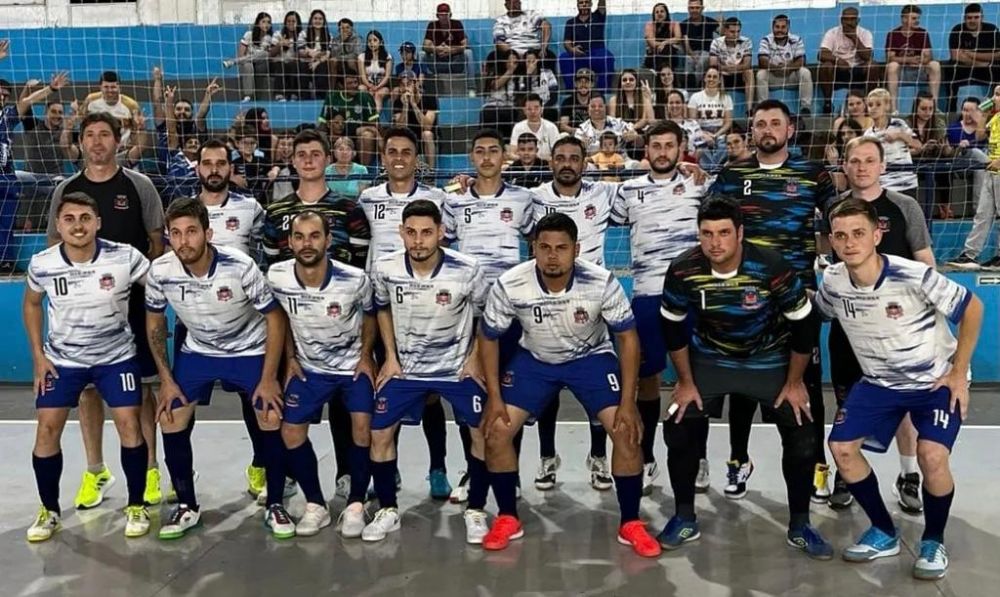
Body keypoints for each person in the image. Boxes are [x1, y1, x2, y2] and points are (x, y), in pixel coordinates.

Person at [478, 211, 660, 556]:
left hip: (590, 358)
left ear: (576, 249)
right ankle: (506, 516)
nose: (551, 255)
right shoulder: (511, 283)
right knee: (497, 430)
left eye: (561, 248)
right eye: (544, 247)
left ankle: (630, 522)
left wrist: (628, 400)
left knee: (625, 430)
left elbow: (629, 339)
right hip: (535, 360)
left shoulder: (601, 281)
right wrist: (494, 397)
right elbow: (487, 339)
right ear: (533, 248)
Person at [819, 198, 983, 580]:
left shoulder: (914, 275)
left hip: (934, 381)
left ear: (877, 235)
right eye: (840, 236)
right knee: (841, 449)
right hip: (880, 383)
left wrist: (959, 374)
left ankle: (934, 540)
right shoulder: (833, 281)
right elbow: (823, 311)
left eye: (859, 233)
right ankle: (883, 531)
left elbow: (973, 308)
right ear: (831, 241)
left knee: (931, 456)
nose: (850, 242)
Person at [659, 196, 832, 559]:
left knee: (802, 431)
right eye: (706, 234)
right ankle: (684, 517)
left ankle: (800, 525)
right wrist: (686, 382)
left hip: (767, 358)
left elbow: (804, 324)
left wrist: (794, 382)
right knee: (677, 423)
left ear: (740, 233)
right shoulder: (683, 268)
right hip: (710, 358)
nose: (715, 243)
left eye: (723, 233)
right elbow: (672, 328)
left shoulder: (770, 265)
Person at [710, 100, 836, 502]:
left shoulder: (813, 174)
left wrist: (830, 272)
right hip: (745, 296)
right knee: (742, 382)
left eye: (775, 123)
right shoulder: (733, 175)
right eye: (760, 123)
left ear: (790, 129)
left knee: (808, 384)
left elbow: (839, 219)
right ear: (752, 131)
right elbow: (711, 220)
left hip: (798, 295)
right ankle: (738, 460)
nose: (767, 129)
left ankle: (818, 466)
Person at [145, 198, 288, 539]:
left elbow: (275, 318)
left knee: (269, 414)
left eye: (191, 232)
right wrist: (165, 379)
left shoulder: (239, 265)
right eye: (175, 233)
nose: (184, 241)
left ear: (207, 233)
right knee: (171, 415)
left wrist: (269, 378)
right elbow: (153, 324)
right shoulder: (161, 271)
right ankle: (186, 506)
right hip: (199, 350)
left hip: (249, 348)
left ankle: (276, 504)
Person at [45, 112, 165, 509]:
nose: (97, 142)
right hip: (81, 313)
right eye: (90, 136)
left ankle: (149, 469)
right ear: (80, 143)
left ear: (119, 141)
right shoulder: (66, 189)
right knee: (87, 392)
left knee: (142, 392)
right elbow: (52, 250)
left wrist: (146, 295)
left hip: (131, 307)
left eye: (104, 135)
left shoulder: (139, 186)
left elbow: (155, 241)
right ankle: (96, 469)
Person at [24, 192, 152, 542]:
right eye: (69, 219)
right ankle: (49, 511)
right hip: (63, 361)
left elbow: (162, 284)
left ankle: (136, 505)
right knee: (47, 430)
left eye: (85, 218)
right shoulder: (43, 263)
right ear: (58, 224)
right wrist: (38, 355)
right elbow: (32, 304)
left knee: (129, 424)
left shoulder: (125, 257)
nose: (77, 225)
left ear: (98, 222)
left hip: (116, 357)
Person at [362, 199, 490, 543]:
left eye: (427, 233)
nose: (419, 241)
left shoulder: (468, 269)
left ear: (441, 233)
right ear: (402, 233)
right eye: (412, 233)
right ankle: (388, 509)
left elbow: (487, 317)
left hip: (456, 370)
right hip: (406, 370)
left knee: (482, 434)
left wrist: (475, 357)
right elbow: (381, 308)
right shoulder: (386, 268)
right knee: (380, 434)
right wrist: (389, 355)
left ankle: (476, 510)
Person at [820, 137, 935, 511]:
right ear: (846, 167)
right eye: (854, 161)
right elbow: (825, 261)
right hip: (850, 328)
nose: (862, 167)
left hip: (900, 331)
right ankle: (845, 472)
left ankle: (908, 474)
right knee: (846, 401)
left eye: (869, 160)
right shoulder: (833, 210)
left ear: (882, 165)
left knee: (902, 407)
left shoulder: (905, 207)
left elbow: (926, 261)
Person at [611, 120, 710, 494]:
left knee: (697, 377)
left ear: (680, 147)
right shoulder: (628, 191)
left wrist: (700, 171)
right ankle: (647, 456)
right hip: (649, 295)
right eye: (656, 145)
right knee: (645, 378)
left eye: (670, 145)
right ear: (646, 150)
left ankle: (699, 457)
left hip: (693, 295)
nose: (663, 152)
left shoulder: (700, 184)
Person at [267, 211, 377, 537]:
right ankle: (316, 504)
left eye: (315, 236)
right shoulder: (277, 276)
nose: (307, 244)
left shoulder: (355, 279)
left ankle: (356, 504)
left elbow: (371, 316)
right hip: (310, 367)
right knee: (291, 432)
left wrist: (366, 356)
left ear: (328, 240)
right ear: (289, 242)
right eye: (299, 237)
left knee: (362, 427)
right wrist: (288, 358)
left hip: (350, 366)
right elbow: (278, 318)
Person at [357, 128, 453, 498]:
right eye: (392, 150)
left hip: (428, 309)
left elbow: (450, 243)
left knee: (430, 395)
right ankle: (389, 469)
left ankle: (438, 469)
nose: (399, 157)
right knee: (385, 388)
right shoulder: (368, 199)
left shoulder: (438, 198)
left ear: (417, 158)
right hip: (382, 309)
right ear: (382, 157)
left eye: (406, 152)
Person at [442, 129, 536, 502]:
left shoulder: (522, 199)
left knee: (510, 396)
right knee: (471, 395)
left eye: (493, 151)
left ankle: (508, 472)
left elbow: (535, 243)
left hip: (509, 314)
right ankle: (473, 469)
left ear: (504, 156)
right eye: (479, 151)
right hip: (468, 314)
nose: (486, 158)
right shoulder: (454, 201)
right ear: (471, 157)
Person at [527, 136, 618, 490]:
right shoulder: (532, 199)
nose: (567, 163)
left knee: (596, 391)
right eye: (560, 157)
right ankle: (547, 457)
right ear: (551, 162)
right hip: (546, 304)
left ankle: (598, 457)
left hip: (593, 307)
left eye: (574, 158)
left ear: (585, 163)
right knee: (548, 389)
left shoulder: (605, 195)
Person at [949, 86, 1000, 270]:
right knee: (982, 214)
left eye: (998, 94)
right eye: (994, 94)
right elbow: (979, 136)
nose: (994, 97)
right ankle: (970, 254)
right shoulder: (995, 117)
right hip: (991, 172)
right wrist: (982, 115)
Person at [818, 7, 884, 113]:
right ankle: (828, 103)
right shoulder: (832, 33)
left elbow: (868, 56)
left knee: (873, 65)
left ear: (857, 20)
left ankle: (868, 103)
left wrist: (854, 38)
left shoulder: (865, 33)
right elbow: (821, 54)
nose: (849, 22)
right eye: (846, 19)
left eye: (852, 19)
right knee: (826, 66)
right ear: (841, 20)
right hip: (839, 70)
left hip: (858, 69)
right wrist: (837, 60)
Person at [863, 88, 921, 199]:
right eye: (870, 105)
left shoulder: (899, 124)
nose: (873, 108)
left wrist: (900, 135)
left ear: (887, 106)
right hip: (884, 185)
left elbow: (918, 146)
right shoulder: (868, 134)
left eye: (878, 104)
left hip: (907, 183)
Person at [885, 4, 942, 113]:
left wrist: (920, 61)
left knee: (935, 65)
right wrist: (909, 60)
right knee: (892, 66)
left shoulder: (923, 33)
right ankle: (894, 109)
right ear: (904, 19)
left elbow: (928, 56)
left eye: (918, 18)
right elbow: (890, 58)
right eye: (914, 18)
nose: (917, 21)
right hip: (901, 72)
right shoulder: (893, 34)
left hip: (918, 70)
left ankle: (934, 107)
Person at [944, 3, 1000, 112]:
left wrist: (970, 54)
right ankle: (950, 111)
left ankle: (997, 109)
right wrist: (982, 63)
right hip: (965, 69)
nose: (972, 20)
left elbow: (998, 55)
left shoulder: (992, 29)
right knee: (951, 67)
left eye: (976, 17)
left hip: (988, 70)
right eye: (969, 18)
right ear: (964, 18)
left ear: (982, 18)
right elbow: (956, 55)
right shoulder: (957, 30)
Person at [16, 71, 72, 177]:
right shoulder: (33, 125)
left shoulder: (64, 133)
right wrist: (27, 88)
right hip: (31, 178)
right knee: (18, 176)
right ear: (46, 112)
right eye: (54, 111)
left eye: (60, 112)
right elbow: (23, 105)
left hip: (55, 178)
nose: (57, 115)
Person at [756, 14, 814, 115]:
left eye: (783, 27)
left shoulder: (796, 39)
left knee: (805, 72)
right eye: (777, 27)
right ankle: (763, 108)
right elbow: (762, 61)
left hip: (790, 76)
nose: (780, 30)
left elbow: (801, 60)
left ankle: (805, 108)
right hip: (773, 76)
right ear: (772, 27)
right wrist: (775, 68)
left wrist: (788, 67)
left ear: (788, 28)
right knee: (761, 74)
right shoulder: (766, 40)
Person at [909, 92, 954, 219]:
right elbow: (904, 151)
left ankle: (945, 206)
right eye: (923, 109)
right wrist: (921, 149)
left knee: (945, 168)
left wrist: (945, 148)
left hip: (933, 161)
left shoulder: (938, 123)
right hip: (914, 163)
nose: (927, 112)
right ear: (916, 108)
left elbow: (947, 151)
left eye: (930, 109)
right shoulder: (907, 123)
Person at [319, 72, 379, 166]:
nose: (354, 85)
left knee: (368, 135)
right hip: (337, 135)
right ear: (341, 85)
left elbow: (375, 125)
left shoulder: (365, 97)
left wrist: (359, 130)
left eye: (355, 82)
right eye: (350, 83)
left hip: (358, 137)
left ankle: (364, 172)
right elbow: (322, 123)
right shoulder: (332, 97)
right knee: (322, 137)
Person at [558, 0, 615, 92]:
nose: (584, 4)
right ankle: (571, 93)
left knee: (607, 57)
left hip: (597, 53)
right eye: (581, 2)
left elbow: (602, 3)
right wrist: (571, 49)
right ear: (577, 5)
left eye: (587, 2)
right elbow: (567, 41)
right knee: (564, 58)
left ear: (591, 4)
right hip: (578, 55)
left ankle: (603, 93)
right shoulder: (570, 22)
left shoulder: (598, 16)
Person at [391, 71, 438, 171]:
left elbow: (427, 126)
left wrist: (414, 104)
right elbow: (400, 128)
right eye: (402, 85)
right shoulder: (398, 102)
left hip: (425, 140)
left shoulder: (429, 98)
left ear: (416, 84)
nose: (405, 88)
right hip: (408, 138)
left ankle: (431, 172)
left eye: (408, 84)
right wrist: (405, 107)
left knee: (427, 134)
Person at [223, 12, 275, 103]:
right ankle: (248, 95)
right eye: (263, 22)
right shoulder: (249, 35)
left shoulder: (270, 38)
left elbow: (271, 56)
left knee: (265, 54)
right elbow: (241, 54)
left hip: (262, 66)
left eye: (268, 22)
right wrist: (246, 60)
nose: (266, 25)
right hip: (247, 64)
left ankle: (233, 62)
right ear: (258, 23)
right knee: (248, 65)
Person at [687, 67, 732, 169]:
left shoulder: (726, 98)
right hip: (700, 132)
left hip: (719, 132)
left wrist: (715, 135)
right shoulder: (695, 97)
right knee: (702, 148)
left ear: (719, 80)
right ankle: (714, 170)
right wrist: (704, 135)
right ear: (704, 78)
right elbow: (692, 122)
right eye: (709, 76)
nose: (711, 79)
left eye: (715, 77)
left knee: (724, 147)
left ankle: (712, 170)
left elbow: (728, 123)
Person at [709, 17, 754, 113]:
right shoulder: (716, 42)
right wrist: (727, 69)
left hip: (739, 76)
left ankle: (749, 110)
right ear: (725, 31)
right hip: (724, 75)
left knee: (749, 72)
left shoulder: (746, 42)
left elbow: (747, 64)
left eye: (738, 32)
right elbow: (713, 64)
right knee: (716, 73)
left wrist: (729, 68)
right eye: (732, 32)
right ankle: (722, 110)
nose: (736, 35)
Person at [493, 0, 552, 68]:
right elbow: (499, 42)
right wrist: (515, 54)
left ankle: (544, 78)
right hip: (511, 51)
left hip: (533, 49)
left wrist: (543, 47)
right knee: (494, 56)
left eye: (516, 2)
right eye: (510, 2)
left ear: (520, 3)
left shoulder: (530, 14)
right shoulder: (500, 20)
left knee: (548, 55)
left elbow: (546, 26)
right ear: (506, 5)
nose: (514, 5)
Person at [679, 0, 720, 89]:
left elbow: (720, 38)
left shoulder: (711, 22)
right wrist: (692, 55)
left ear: (702, 8)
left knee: (701, 62)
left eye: (697, 8)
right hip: (691, 52)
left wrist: (722, 24)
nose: (694, 10)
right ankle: (689, 89)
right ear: (688, 9)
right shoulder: (684, 24)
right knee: (688, 61)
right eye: (692, 8)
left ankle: (698, 88)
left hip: (707, 52)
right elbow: (686, 43)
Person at [508, 93, 561, 162]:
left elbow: (558, 154)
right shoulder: (518, 127)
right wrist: (528, 160)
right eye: (529, 109)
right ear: (524, 110)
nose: (533, 112)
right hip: (524, 165)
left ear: (542, 109)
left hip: (546, 165)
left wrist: (539, 160)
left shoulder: (551, 127)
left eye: (536, 108)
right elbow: (512, 153)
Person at [480, 52, 520, 141]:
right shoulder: (495, 73)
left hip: (509, 107)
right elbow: (496, 85)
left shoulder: (519, 77)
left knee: (508, 114)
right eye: (509, 61)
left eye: (515, 62)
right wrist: (509, 71)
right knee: (489, 113)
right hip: (492, 106)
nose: (512, 64)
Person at [423, 3, 470, 76]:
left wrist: (451, 50)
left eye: (446, 14)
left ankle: (471, 86)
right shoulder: (432, 25)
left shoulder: (457, 24)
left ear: (450, 15)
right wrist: (437, 49)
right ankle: (422, 84)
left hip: (455, 60)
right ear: (437, 16)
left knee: (468, 53)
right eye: (441, 15)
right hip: (438, 60)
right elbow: (425, 46)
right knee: (422, 55)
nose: (444, 17)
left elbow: (465, 45)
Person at [608, 69, 655, 137]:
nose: (628, 82)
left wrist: (648, 99)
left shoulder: (644, 99)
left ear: (636, 82)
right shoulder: (613, 100)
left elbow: (648, 120)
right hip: (620, 134)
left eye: (631, 79)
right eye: (624, 80)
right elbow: (613, 121)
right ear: (620, 83)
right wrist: (626, 130)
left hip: (640, 134)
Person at [299, 9, 332, 99]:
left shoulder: (329, 36)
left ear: (324, 21)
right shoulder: (303, 34)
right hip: (306, 61)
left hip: (320, 62)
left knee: (323, 67)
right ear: (311, 20)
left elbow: (328, 53)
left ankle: (320, 97)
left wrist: (317, 61)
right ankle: (304, 98)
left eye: (320, 19)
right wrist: (314, 54)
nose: (318, 21)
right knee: (302, 67)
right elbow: (301, 50)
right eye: (315, 18)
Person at [270, 11, 303, 101]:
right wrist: (280, 45)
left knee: (294, 65)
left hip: (294, 63)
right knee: (281, 65)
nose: (291, 23)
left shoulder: (302, 35)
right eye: (289, 21)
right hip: (278, 63)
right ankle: (279, 94)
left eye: (294, 21)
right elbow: (271, 54)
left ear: (298, 23)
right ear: (285, 23)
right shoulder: (278, 34)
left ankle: (294, 94)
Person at [358, 30, 392, 115]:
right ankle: (364, 117)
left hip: (382, 86)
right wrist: (370, 86)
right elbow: (362, 76)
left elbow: (387, 76)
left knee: (378, 94)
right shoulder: (362, 57)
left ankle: (374, 119)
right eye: (369, 41)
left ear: (381, 42)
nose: (372, 43)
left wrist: (377, 87)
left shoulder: (387, 56)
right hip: (367, 85)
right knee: (361, 90)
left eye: (375, 40)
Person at [825, 118, 864, 193]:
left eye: (850, 133)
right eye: (843, 134)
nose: (846, 137)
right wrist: (834, 164)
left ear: (858, 134)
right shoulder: (835, 152)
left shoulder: (866, 152)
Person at [644, 3, 683, 73]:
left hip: (671, 57)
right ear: (654, 15)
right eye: (657, 12)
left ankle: (663, 73)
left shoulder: (674, 24)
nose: (659, 14)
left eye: (662, 11)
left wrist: (665, 43)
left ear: (666, 13)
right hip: (653, 57)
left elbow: (678, 38)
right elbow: (652, 43)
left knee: (667, 48)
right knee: (663, 50)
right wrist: (664, 44)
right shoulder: (649, 25)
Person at [559, 68, 595, 135]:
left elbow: (601, 122)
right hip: (573, 135)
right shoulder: (568, 101)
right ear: (575, 84)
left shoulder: (596, 101)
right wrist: (578, 132)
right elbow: (563, 126)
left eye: (586, 82)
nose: (583, 84)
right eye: (580, 81)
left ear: (592, 84)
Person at [330, 18, 362, 87]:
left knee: (351, 61)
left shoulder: (357, 39)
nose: (345, 30)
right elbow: (333, 54)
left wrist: (342, 57)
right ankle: (332, 88)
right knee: (333, 61)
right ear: (339, 30)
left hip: (352, 63)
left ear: (351, 29)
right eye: (342, 28)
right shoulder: (336, 40)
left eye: (347, 28)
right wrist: (341, 42)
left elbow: (357, 54)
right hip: (340, 64)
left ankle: (358, 85)